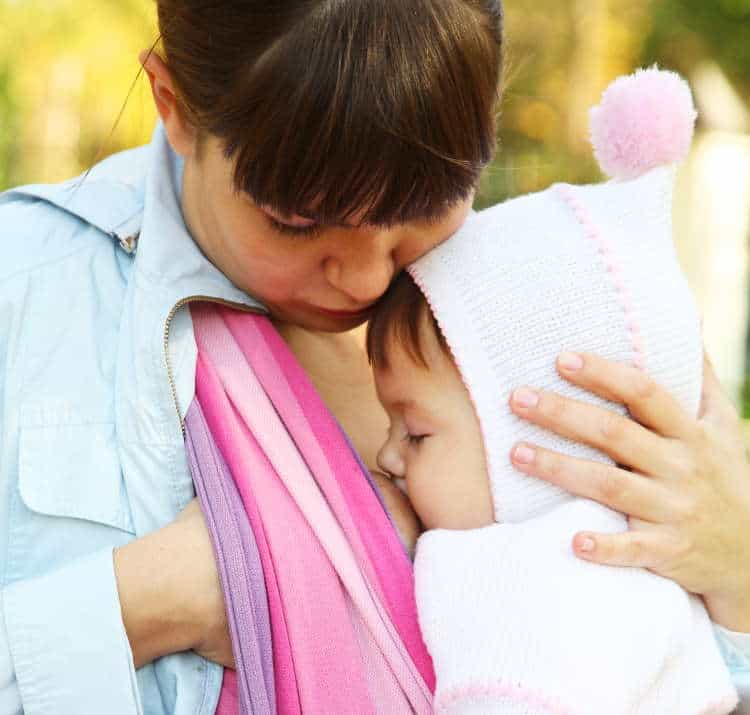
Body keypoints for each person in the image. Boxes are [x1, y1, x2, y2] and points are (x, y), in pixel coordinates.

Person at [0, 2, 747, 713]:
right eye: (298, 223)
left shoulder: (559, 316)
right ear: (175, 103)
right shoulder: (25, 293)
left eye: (422, 205)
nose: (364, 278)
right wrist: (151, 600)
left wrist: (736, 574)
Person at [367, 67, 739, 714]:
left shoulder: (528, 589)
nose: (388, 456)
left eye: (417, 431)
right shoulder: (642, 574)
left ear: (545, 444)